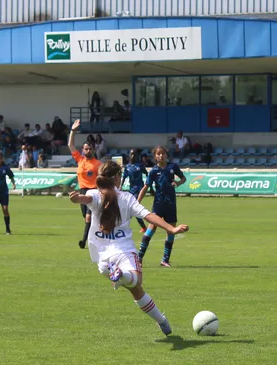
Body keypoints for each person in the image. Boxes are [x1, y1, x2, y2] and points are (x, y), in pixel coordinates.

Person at [68, 159, 188, 336]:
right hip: (124, 251)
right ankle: (123, 276)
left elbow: (84, 198)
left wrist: (77, 198)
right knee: (136, 283)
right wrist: (171, 228)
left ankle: (161, 320)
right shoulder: (126, 198)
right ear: (118, 178)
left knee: (134, 288)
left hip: (102, 259)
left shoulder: (94, 195)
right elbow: (148, 215)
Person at [138, 145, 186, 268]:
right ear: (155, 157)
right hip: (158, 204)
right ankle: (139, 258)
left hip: (171, 203)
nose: (161, 155)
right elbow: (146, 187)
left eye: (163, 153)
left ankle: (165, 260)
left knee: (171, 230)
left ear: (166, 155)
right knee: (151, 228)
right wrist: (137, 201)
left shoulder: (172, 167)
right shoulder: (154, 171)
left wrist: (178, 183)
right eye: (158, 154)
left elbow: (183, 178)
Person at [68, 118, 101, 249]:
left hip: (93, 192)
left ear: (93, 150)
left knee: (88, 217)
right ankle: (96, 238)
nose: (88, 151)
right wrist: (72, 131)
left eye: (90, 149)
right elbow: (70, 145)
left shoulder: (98, 164)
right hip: (82, 191)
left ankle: (83, 241)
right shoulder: (80, 160)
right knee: (87, 219)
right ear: (83, 150)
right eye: (86, 149)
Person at [123, 149, 149, 231]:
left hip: (139, 189)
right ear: (129, 156)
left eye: (134, 154)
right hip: (132, 190)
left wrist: (148, 184)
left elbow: (146, 173)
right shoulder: (127, 167)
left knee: (133, 207)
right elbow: (124, 177)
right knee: (132, 208)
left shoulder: (140, 165)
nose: (133, 156)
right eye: (131, 154)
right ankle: (144, 227)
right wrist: (120, 186)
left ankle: (144, 227)